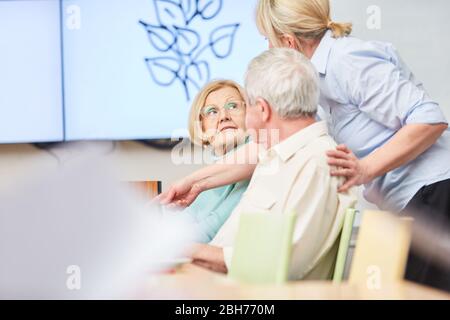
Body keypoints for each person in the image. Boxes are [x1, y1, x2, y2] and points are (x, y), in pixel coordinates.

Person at [159, 0, 450, 290]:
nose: (268, 49)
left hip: (436, 192)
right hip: (410, 200)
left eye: (267, 40)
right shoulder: (311, 82)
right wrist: (194, 181)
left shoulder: (346, 60)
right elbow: (264, 147)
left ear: (287, 41)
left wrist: (364, 169)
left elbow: (430, 119)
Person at [189, 48, 356, 278]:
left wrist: (186, 251)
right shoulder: (275, 158)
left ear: (263, 109)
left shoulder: (318, 164)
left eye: (244, 105)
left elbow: (282, 264)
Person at [179, 80, 250, 243]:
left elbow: (211, 229)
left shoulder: (256, 165)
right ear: (201, 127)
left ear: (250, 114)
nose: (224, 117)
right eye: (212, 111)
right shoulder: (204, 182)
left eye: (233, 106)